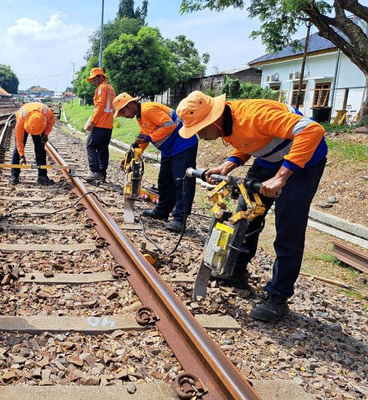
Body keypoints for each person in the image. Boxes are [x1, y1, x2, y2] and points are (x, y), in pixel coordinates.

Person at [176, 91, 327, 322]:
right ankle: (235, 272)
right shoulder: (227, 123)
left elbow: (311, 130)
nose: (199, 136)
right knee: (244, 216)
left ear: (212, 121)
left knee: (289, 229)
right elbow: (251, 140)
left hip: (303, 163)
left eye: (200, 130)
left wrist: (282, 176)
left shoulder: (253, 115)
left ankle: (278, 295)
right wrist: (229, 164)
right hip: (269, 161)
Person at [112, 92, 198, 233]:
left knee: (182, 182)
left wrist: (149, 138)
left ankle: (180, 219)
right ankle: (162, 211)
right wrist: (134, 153)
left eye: (123, 111)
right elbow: (144, 136)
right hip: (169, 149)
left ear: (131, 104)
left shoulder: (148, 109)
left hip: (183, 145)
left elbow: (169, 125)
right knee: (164, 181)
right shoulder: (141, 116)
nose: (124, 115)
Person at [9, 102, 55, 186]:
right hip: (25, 122)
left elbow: (51, 122)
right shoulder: (21, 120)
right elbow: (19, 140)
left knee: (40, 149)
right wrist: (22, 156)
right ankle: (14, 176)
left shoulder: (47, 113)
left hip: (39, 124)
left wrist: (45, 134)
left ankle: (42, 176)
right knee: (17, 149)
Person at [84, 67, 116, 182]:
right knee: (103, 149)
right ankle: (102, 173)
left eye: (94, 79)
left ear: (100, 77)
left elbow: (100, 106)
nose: (93, 81)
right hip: (108, 125)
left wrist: (92, 121)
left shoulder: (101, 88)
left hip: (100, 123)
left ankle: (95, 171)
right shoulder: (111, 89)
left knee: (90, 146)